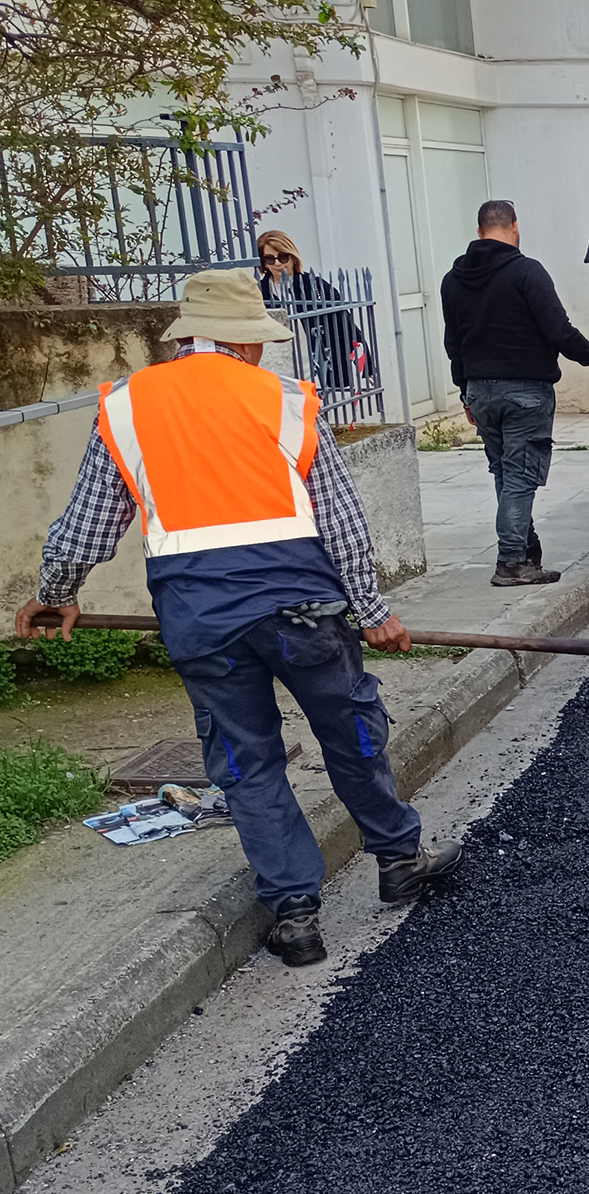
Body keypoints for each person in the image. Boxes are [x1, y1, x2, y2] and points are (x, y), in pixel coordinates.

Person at [16, 269, 461, 968]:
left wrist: (58, 589)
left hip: (200, 621)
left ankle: (294, 914)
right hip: (304, 613)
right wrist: (373, 611)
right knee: (351, 731)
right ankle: (399, 860)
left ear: (185, 337)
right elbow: (341, 523)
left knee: (245, 762)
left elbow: (88, 525)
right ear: (245, 343)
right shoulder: (284, 401)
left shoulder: (127, 405)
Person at [441, 200, 589, 586]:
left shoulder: (453, 280)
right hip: (525, 392)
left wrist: (465, 394)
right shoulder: (526, 272)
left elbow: (453, 343)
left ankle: (525, 551)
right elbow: (560, 332)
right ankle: (511, 564)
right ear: (515, 227)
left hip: (480, 392)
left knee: (505, 474)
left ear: (479, 231)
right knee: (521, 478)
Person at [256, 230, 370, 396]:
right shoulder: (259, 291)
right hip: (278, 363)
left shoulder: (315, 286)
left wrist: (365, 365)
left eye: (283, 257)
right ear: (263, 262)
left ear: (293, 257)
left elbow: (342, 324)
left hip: (316, 360)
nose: (277, 263)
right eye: (269, 258)